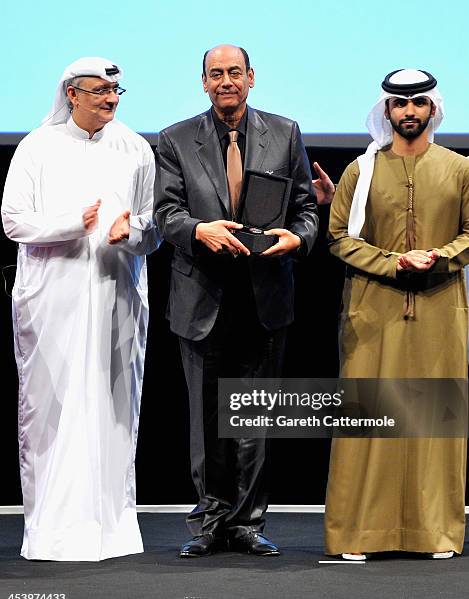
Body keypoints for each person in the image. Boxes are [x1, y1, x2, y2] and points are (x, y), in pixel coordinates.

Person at [155, 44, 326, 557]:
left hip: (265, 292)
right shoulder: (174, 138)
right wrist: (197, 229)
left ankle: (249, 522)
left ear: (251, 77)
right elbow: (165, 213)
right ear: (203, 83)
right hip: (200, 296)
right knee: (206, 420)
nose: (225, 80)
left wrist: (300, 238)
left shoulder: (286, 131)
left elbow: (304, 208)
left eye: (234, 72)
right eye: (215, 74)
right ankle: (209, 522)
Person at [1, 57, 159, 561]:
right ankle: (50, 532)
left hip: (118, 297)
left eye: (116, 92)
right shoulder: (37, 147)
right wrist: (74, 223)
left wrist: (130, 230)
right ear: (71, 94)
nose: (111, 100)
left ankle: (113, 531)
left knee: (115, 411)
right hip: (53, 301)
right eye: (99, 92)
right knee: (51, 410)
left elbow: (154, 226)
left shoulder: (135, 148)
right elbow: (13, 222)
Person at [325, 69, 469, 560]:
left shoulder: (459, 168)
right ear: (386, 111)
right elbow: (338, 236)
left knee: (435, 420)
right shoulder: (360, 172)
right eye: (400, 105)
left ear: (433, 110)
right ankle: (359, 534)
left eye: (419, 104)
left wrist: (440, 256)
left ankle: (434, 533)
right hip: (373, 309)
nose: (409, 112)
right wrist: (393, 262)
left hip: (440, 307)